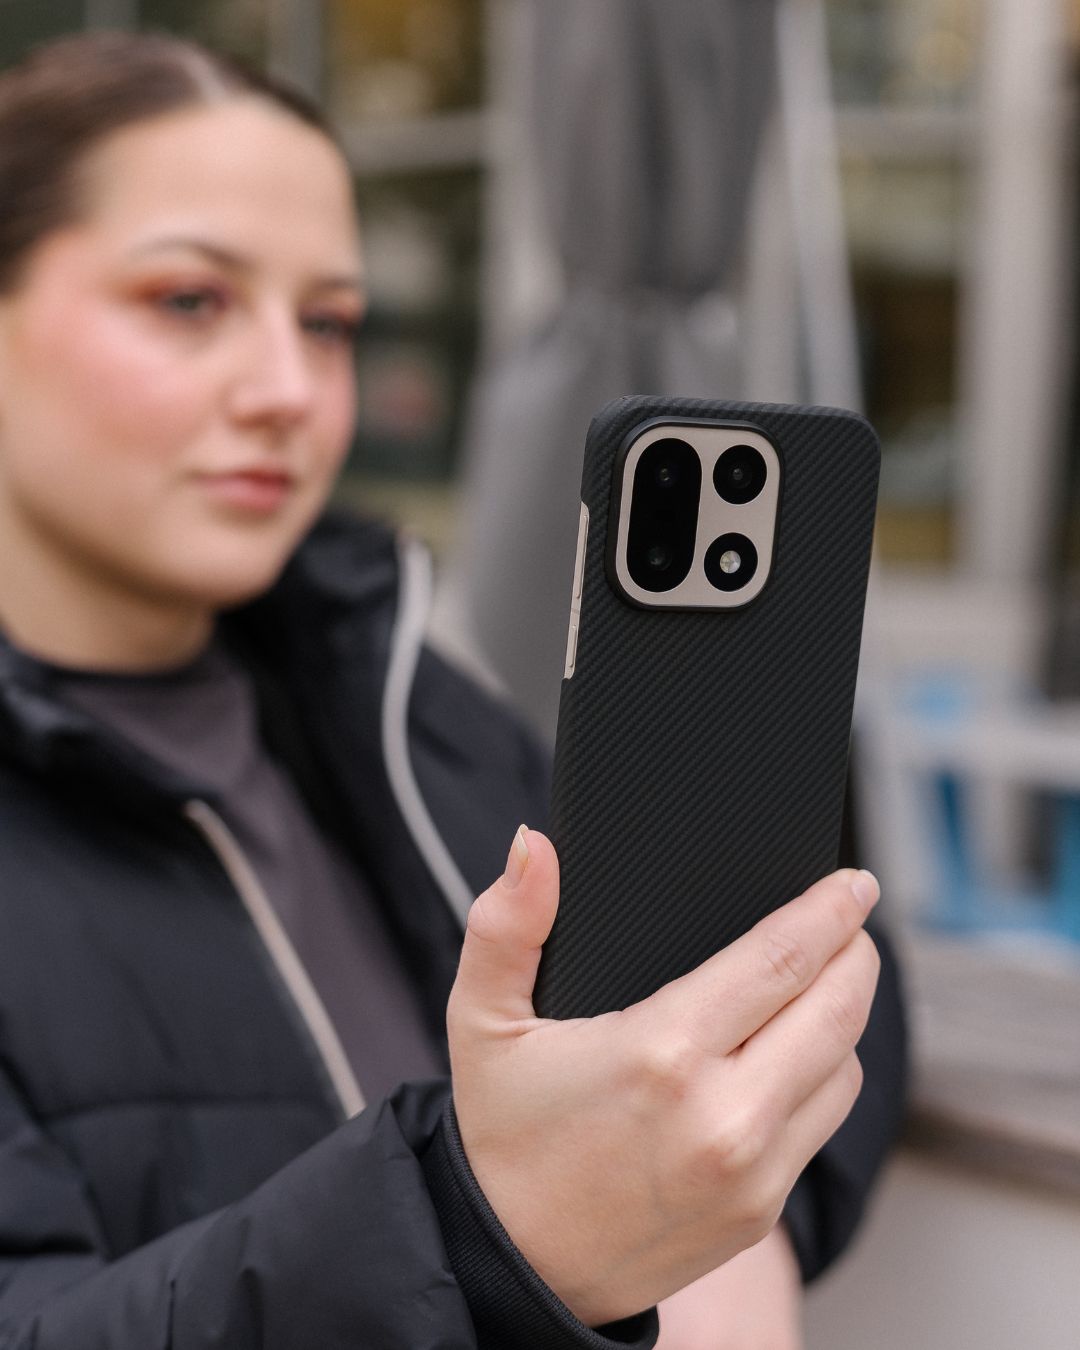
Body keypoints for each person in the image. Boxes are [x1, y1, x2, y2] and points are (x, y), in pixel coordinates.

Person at [0, 30, 906, 1350]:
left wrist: (727, 1219)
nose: (287, 390)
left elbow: (813, 1008)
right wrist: (504, 1235)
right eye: (188, 300)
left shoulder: (405, 704)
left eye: (330, 323)